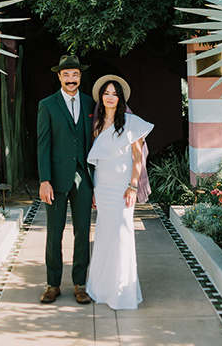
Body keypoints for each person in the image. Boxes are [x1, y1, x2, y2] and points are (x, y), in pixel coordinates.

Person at [86, 75, 153, 310]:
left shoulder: (132, 122)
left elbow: (137, 157)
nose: (110, 97)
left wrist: (133, 185)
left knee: (123, 235)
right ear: (101, 98)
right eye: (107, 93)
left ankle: (123, 292)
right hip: (102, 186)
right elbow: (97, 161)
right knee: (104, 235)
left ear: (120, 98)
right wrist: (94, 190)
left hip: (123, 187)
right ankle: (102, 288)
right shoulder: (96, 123)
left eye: (115, 93)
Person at [37, 54, 95, 305]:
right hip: (56, 178)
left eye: (75, 75)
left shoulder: (91, 103)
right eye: (66, 75)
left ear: (80, 77)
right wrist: (44, 180)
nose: (71, 79)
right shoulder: (47, 105)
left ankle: (80, 284)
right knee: (54, 232)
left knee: (83, 231)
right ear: (59, 76)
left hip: (84, 177)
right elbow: (43, 145)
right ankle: (52, 284)